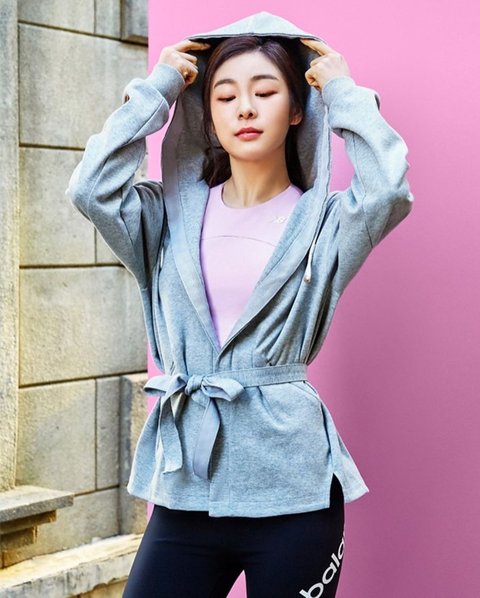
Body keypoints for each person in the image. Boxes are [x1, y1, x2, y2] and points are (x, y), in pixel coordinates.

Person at [65, 11, 413, 598]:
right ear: (208, 116)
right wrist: (156, 91)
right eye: (225, 96)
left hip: (294, 488)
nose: (244, 109)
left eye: (265, 92)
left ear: (297, 108)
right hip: (188, 485)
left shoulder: (325, 222)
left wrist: (343, 93)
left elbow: (388, 190)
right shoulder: (164, 216)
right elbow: (90, 189)